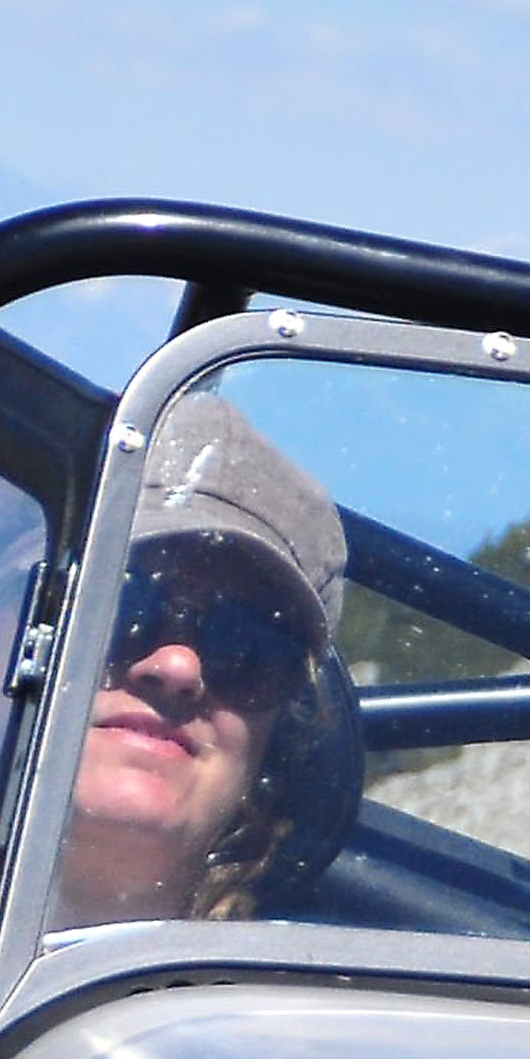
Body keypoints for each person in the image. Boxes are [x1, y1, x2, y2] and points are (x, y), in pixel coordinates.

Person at [54, 388, 352, 927]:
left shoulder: (299, 985)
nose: (177, 668)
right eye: (122, 606)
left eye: (244, 644)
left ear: (276, 747)